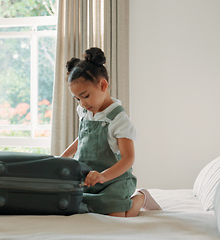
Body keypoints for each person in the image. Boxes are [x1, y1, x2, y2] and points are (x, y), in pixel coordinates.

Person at [60, 47, 160, 217]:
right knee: (73, 205)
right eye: (77, 98)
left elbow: (128, 158)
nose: (82, 103)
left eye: (85, 96)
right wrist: (63, 157)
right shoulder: (84, 111)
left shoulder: (118, 119)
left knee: (118, 217)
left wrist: (104, 176)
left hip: (114, 179)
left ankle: (141, 197)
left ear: (103, 85)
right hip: (89, 178)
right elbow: (83, 138)